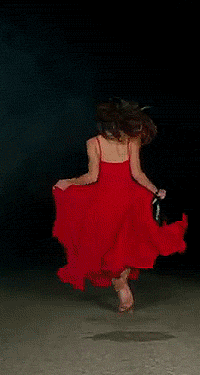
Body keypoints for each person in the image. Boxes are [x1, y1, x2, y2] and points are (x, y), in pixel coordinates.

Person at [52, 98, 188, 313]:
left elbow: (92, 177)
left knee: (108, 248)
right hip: (130, 200)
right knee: (125, 245)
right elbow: (137, 174)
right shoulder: (131, 140)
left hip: (105, 202)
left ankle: (121, 286)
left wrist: (69, 182)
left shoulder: (94, 142)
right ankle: (121, 282)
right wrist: (155, 190)